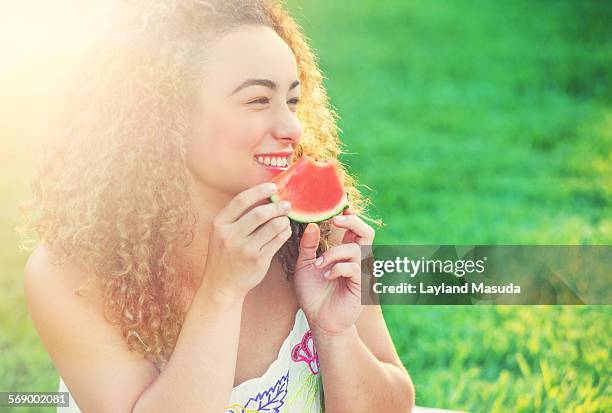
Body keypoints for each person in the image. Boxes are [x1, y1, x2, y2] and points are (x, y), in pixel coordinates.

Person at [20, 1, 415, 411]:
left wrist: (334, 333)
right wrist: (222, 293)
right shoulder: (71, 275)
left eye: (293, 101)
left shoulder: (320, 235)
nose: (293, 128)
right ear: (165, 117)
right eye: (258, 100)